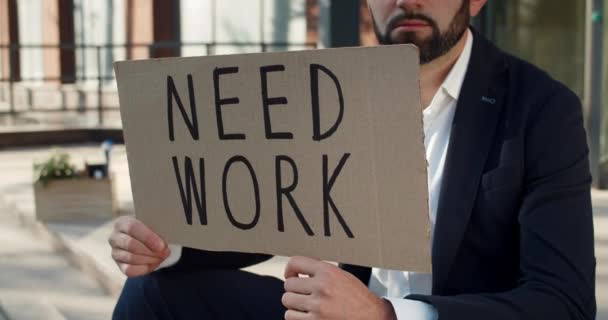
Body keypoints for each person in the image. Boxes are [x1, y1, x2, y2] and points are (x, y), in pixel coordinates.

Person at [109, 0, 597, 319]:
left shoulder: (541, 109)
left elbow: (563, 302)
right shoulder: (334, 88)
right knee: (151, 297)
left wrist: (386, 315)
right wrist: (168, 248)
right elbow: (272, 214)